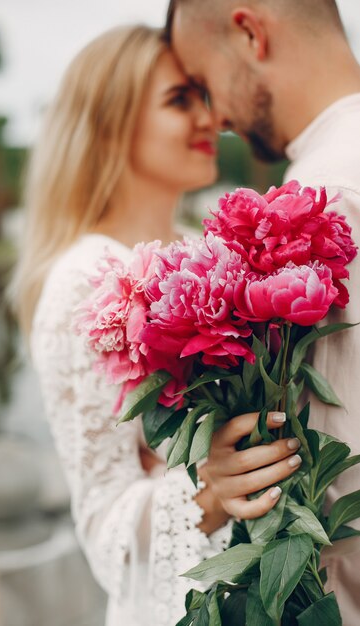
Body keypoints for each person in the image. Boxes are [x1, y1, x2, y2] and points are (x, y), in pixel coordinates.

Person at [9, 25, 303, 626]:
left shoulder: (204, 247)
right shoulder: (83, 281)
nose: (210, 116)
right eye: (179, 100)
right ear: (110, 124)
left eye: (203, 96)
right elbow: (103, 527)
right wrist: (211, 495)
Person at [167, 1, 360, 623]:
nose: (214, 116)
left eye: (203, 84)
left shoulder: (326, 199)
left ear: (249, 32)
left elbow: (339, 470)